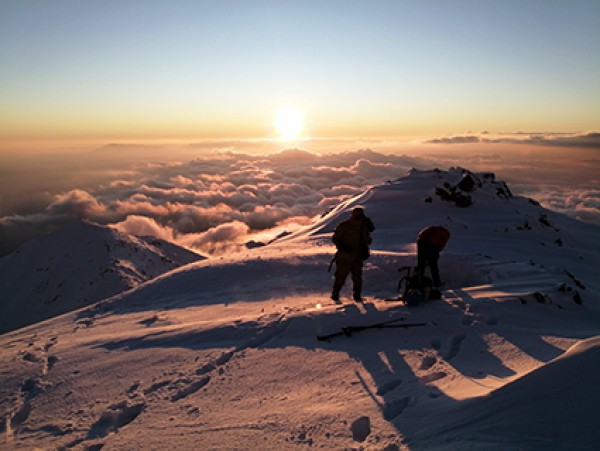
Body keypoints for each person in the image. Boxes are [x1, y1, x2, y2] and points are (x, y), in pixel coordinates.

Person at [331, 207, 374, 302]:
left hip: (357, 257)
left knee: (357, 277)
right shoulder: (344, 226)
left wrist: (365, 248)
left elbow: (367, 239)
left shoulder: (363, 227)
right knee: (341, 276)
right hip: (344, 256)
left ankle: (357, 295)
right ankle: (335, 294)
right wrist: (343, 246)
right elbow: (335, 239)